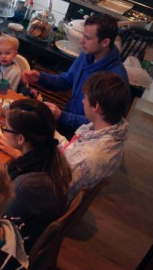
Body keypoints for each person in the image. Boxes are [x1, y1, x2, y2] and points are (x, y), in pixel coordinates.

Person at [0, 98, 72, 245]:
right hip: (23, 228)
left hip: (10, 245)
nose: (4, 131)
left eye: (6, 128)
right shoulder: (50, 156)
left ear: (21, 139)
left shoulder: (27, 185)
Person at [21, 14, 128, 137]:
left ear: (105, 42)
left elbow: (102, 125)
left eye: (87, 38)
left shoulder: (116, 78)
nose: (81, 41)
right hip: (65, 123)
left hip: (84, 138)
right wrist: (40, 77)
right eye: (83, 35)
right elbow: (66, 80)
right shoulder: (87, 54)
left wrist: (62, 116)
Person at [56, 72, 131, 202]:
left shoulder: (89, 156)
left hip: (49, 200)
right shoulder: (109, 129)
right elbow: (71, 150)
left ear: (96, 107)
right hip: (58, 169)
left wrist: (20, 156)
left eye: (85, 98)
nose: (82, 101)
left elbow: (55, 187)